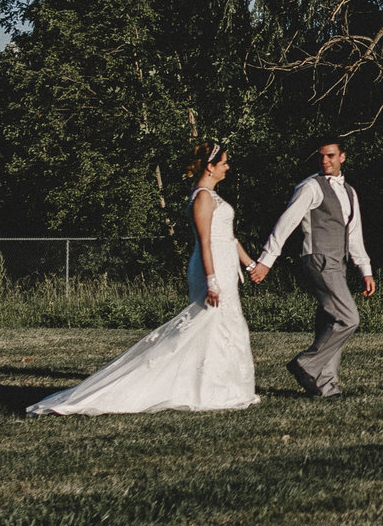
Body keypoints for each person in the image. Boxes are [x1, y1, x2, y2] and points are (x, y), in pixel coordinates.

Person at [27, 139, 265, 416]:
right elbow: (205, 242)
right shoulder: (202, 196)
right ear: (210, 167)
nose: (228, 167)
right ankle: (172, 386)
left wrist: (250, 265)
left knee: (224, 326)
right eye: (223, 162)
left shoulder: (214, 196)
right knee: (206, 323)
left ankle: (220, 388)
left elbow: (228, 236)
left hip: (224, 267)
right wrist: (212, 280)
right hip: (210, 268)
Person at [258, 139, 376, 398]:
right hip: (319, 259)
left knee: (330, 321)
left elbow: (354, 234)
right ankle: (306, 364)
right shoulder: (311, 186)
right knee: (348, 318)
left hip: (339, 261)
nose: (325, 161)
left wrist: (365, 269)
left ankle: (325, 387)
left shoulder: (350, 192)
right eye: (321, 156)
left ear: (342, 157)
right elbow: (286, 221)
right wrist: (268, 259)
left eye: (331, 156)